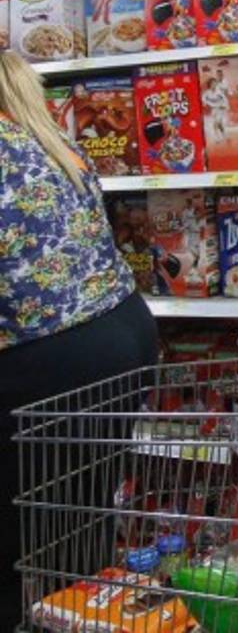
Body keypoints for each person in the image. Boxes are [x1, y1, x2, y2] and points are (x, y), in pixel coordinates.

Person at [0, 52, 159, 628]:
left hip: (48, 354)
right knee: (77, 521)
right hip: (120, 333)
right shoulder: (38, 133)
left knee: (12, 535)